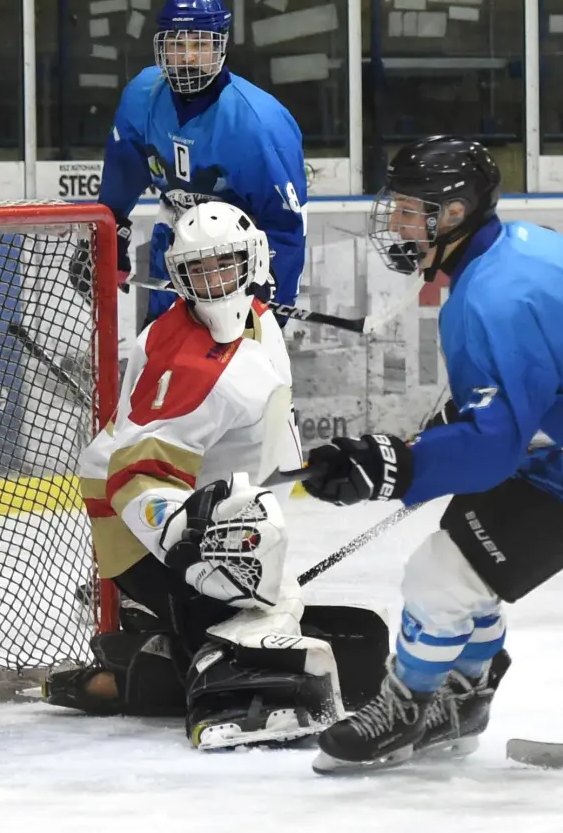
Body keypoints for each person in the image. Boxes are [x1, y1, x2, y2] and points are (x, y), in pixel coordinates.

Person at [291, 136, 563, 774]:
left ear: (452, 215)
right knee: (467, 552)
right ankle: (464, 697)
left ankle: (411, 703)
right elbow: (558, 357)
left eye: (409, 211)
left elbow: (494, 449)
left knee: (438, 576)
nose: (395, 223)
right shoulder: (531, 244)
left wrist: (393, 466)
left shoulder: (486, 301)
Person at [45, 202, 387, 750]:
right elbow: (135, 477)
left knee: (362, 644)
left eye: (224, 266)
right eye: (199, 271)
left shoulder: (259, 320)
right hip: (146, 536)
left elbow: (255, 428)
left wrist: (307, 466)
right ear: (180, 277)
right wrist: (189, 541)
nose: (214, 282)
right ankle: (166, 677)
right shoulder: (186, 357)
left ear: (251, 262)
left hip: (210, 517)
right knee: (271, 628)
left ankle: (143, 668)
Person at [97, 0, 307, 327]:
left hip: (234, 265)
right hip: (175, 248)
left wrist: (271, 301)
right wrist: (107, 236)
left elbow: (285, 226)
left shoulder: (257, 124)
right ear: (161, 46)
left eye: (200, 44)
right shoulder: (142, 97)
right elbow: (123, 172)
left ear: (220, 46)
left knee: (232, 373)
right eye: (177, 45)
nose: (188, 57)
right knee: (162, 367)